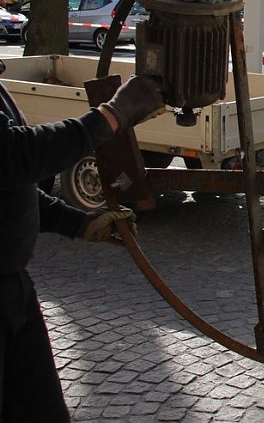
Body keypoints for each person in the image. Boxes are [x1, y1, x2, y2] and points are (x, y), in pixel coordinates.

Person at [0, 67, 164, 420]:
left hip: (13, 289)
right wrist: (110, 117)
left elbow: (13, 182)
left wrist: (76, 222)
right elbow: (11, 157)